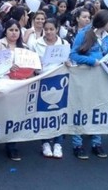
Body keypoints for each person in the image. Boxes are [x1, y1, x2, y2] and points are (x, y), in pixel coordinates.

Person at [69, 9, 108, 160]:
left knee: (98, 108)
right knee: (81, 108)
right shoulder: (84, 34)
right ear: (104, 22)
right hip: (84, 77)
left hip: (100, 78)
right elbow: (73, 54)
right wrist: (91, 61)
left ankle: (96, 142)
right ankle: (77, 143)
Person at [31, 18, 71, 159]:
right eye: (46, 29)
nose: (48, 32)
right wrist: (37, 67)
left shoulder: (64, 43)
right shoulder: (36, 44)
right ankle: (45, 142)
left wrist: (68, 62)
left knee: (59, 112)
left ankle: (58, 143)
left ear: (57, 29)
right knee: (44, 113)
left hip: (60, 81)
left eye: (51, 29)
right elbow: (32, 64)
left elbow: (70, 63)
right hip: (44, 81)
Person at [0, 19, 27, 161]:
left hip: (20, 85)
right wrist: (7, 67)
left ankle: (12, 145)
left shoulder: (24, 48)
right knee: (4, 114)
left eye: (16, 30)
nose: (14, 33)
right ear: (5, 31)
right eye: (11, 30)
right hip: (3, 85)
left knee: (15, 115)